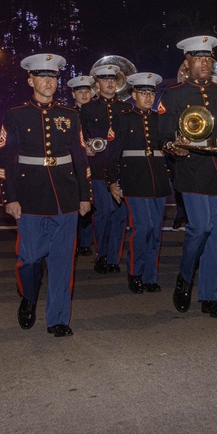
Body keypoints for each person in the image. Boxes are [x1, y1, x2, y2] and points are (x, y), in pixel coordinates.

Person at [0, 53, 91, 337]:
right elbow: (5, 159)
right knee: (30, 258)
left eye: (52, 77)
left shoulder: (70, 115)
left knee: (63, 261)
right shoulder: (15, 115)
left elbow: (80, 157)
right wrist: (9, 197)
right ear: (31, 80)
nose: (48, 81)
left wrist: (85, 195)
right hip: (30, 197)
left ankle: (58, 319)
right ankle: (28, 296)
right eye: (42, 76)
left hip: (66, 196)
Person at [159, 35, 217, 318]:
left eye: (208, 58)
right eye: (198, 59)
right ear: (187, 62)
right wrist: (174, 149)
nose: (204, 63)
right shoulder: (174, 94)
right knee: (200, 228)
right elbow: (163, 135)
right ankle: (185, 277)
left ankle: (210, 296)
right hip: (192, 169)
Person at [105, 72, 170, 294]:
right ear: (133, 94)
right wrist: (113, 181)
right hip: (134, 180)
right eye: (143, 93)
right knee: (143, 227)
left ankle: (150, 276)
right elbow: (112, 153)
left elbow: (167, 147)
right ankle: (135, 272)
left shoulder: (160, 119)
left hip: (159, 182)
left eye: (151, 93)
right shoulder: (123, 119)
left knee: (155, 231)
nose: (149, 97)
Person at [79, 63, 132, 274]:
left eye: (113, 79)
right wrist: (87, 148)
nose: (109, 83)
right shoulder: (88, 108)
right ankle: (101, 254)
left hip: (123, 168)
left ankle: (113, 258)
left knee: (120, 215)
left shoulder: (126, 108)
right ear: (97, 84)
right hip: (99, 168)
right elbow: (79, 137)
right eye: (105, 80)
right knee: (105, 212)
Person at [67, 74, 96, 256]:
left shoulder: (97, 113)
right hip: (73, 165)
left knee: (91, 203)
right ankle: (75, 240)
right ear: (73, 94)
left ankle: (86, 241)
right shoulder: (69, 115)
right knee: (75, 202)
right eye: (80, 92)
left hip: (95, 164)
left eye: (87, 91)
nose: (84, 95)